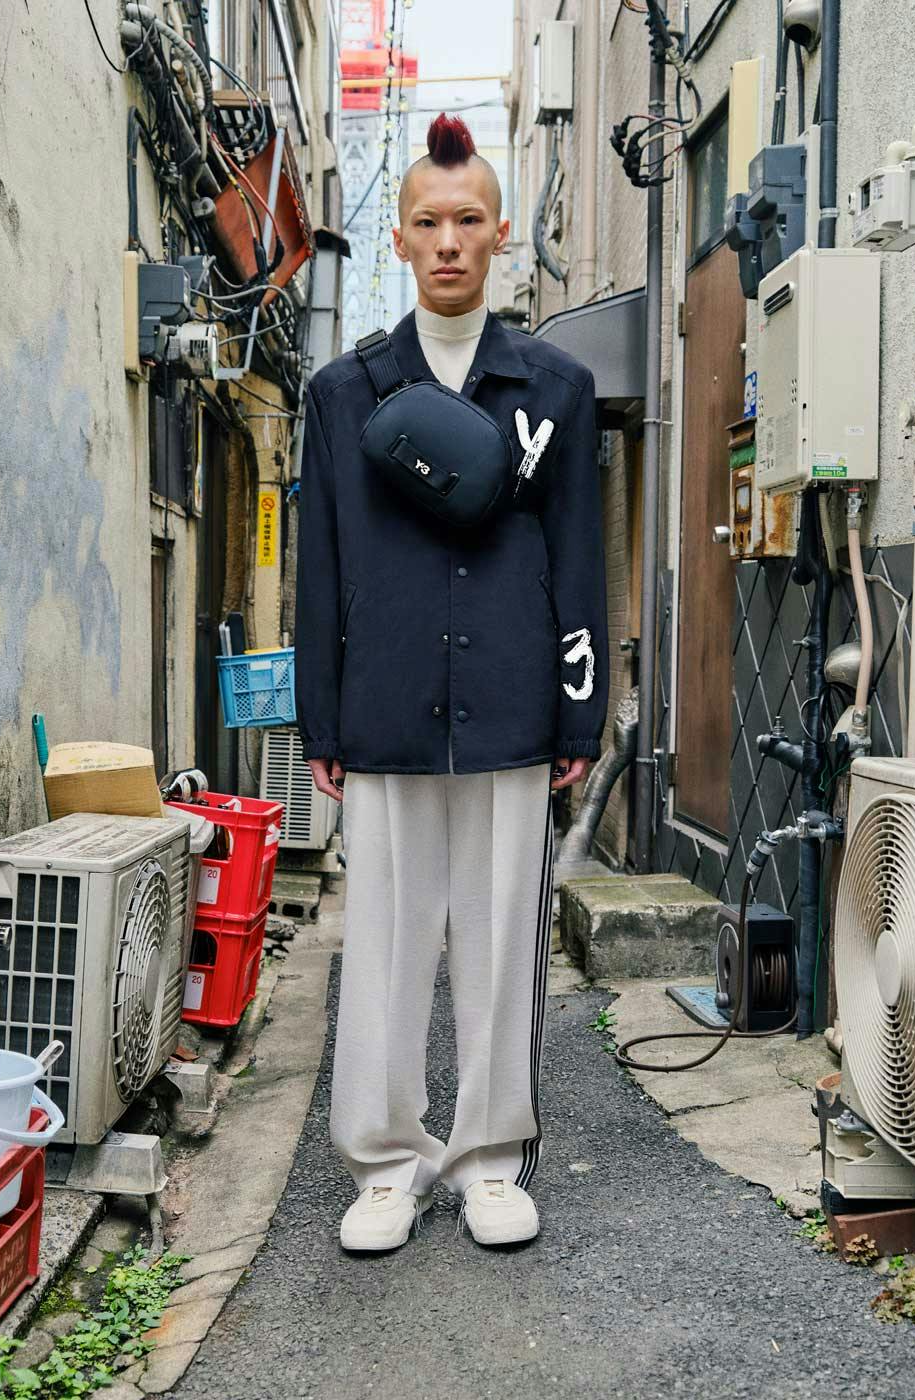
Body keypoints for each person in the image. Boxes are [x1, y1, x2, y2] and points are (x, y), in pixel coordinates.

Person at [294, 112, 608, 1252]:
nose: (447, 242)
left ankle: (487, 1159)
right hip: (383, 704)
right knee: (382, 941)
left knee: (500, 937)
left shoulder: (555, 387)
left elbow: (579, 554)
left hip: (514, 699)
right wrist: (321, 719)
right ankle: (385, 1163)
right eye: (427, 222)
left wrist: (580, 710)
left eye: (468, 220)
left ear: (499, 233)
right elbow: (322, 564)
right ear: (398, 238)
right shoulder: (344, 393)